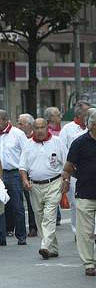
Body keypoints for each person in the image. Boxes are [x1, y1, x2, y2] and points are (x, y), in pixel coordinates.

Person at [19, 118, 66, 260]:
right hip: (35, 186)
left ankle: (45, 245)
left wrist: (66, 180)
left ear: (47, 128)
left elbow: (66, 164)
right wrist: (25, 180)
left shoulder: (57, 142)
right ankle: (53, 248)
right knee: (39, 217)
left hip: (54, 183)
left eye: (42, 127)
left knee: (49, 216)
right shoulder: (28, 144)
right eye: (37, 128)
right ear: (33, 129)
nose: (39, 131)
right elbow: (22, 167)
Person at [61, 110, 96, 276]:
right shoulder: (80, 142)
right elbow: (68, 167)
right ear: (93, 125)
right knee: (85, 232)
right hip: (85, 193)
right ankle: (89, 263)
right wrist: (66, 182)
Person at [0, 110, 28, 246]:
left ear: (6, 120)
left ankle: (21, 235)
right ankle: (0, 236)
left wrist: (25, 174)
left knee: (17, 205)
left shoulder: (18, 134)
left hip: (14, 173)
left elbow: (26, 152)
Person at [59, 101, 91, 235]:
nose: (90, 116)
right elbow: (62, 150)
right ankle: (77, 231)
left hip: (90, 172)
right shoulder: (67, 129)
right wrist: (65, 176)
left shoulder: (92, 128)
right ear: (79, 114)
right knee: (75, 202)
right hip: (74, 172)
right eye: (87, 113)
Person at [17, 113, 39, 238]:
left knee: (31, 201)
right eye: (18, 123)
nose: (19, 126)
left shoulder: (36, 138)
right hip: (19, 171)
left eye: (21, 123)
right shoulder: (17, 136)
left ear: (30, 125)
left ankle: (33, 226)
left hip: (32, 172)